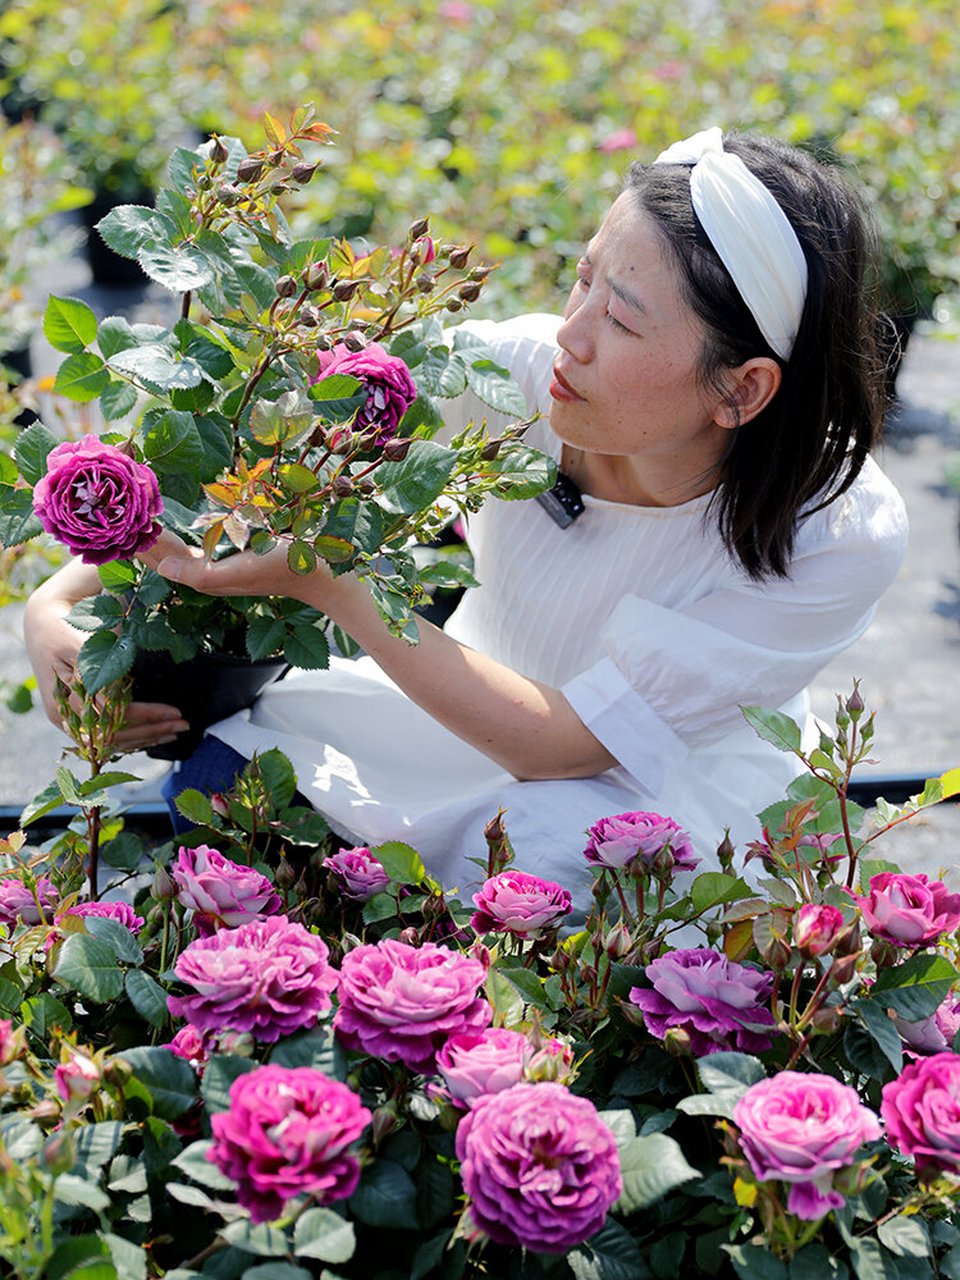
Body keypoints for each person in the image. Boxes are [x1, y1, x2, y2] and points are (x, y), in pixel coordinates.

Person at [24, 128, 908, 910]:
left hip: (644, 784)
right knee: (229, 766)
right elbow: (240, 460)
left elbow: (564, 747)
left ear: (741, 388)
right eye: (585, 278)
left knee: (575, 864)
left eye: (624, 322)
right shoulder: (508, 378)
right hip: (450, 705)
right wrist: (56, 602)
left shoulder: (833, 528)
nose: (573, 334)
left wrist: (332, 585)